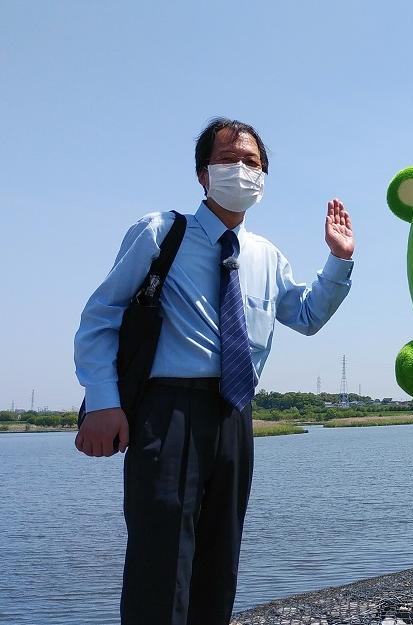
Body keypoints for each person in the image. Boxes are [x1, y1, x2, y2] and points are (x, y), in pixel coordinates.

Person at [73, 118, 355, 625]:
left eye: (253, 163)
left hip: (234, 414)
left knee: (220, 560)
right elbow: (101, 316)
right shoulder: (161, 232)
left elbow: (307, 316)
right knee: (160, 559)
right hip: (167, 411)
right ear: (204, 174)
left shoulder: (266, 256)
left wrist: (338, 261)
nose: (242, 170)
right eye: (230, 160)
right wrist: (103, 400)